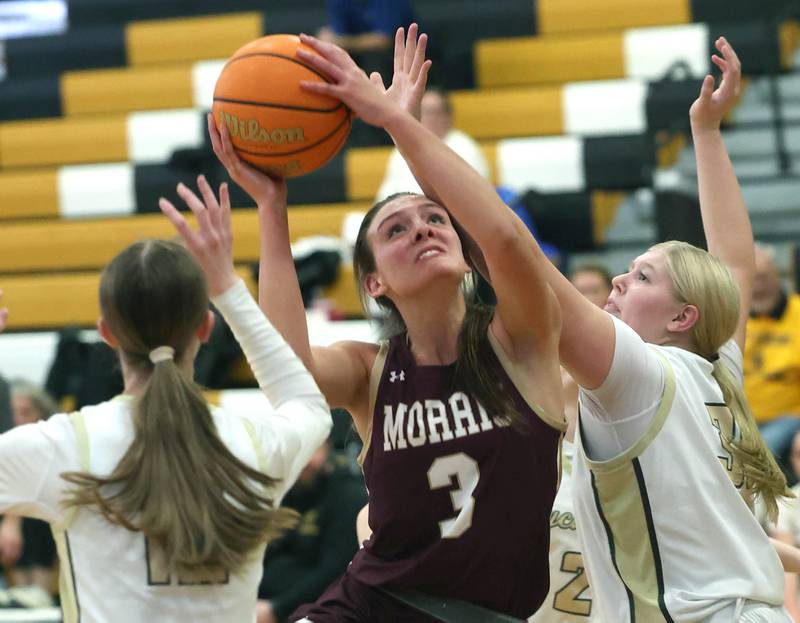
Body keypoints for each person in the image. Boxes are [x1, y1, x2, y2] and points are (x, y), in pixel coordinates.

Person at [210, 24, 565, 622]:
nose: (423, 228)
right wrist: (272, 209)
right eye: (396, 230)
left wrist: (401, 125)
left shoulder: (521, 340)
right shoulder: (370, 372)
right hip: (371, 604)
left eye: (435, 219)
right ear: (374, 284)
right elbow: (284, 370)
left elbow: (504, 236)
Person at [527, 38, 790, 622]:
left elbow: (515, 254)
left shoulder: (644, 376)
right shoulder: (714, 365)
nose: (618, 280)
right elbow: (735, 262)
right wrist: (706, 134)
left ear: (681, 317)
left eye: (641, 275)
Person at [0, 176, 332, 622]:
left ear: (107, 335)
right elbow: (308, 404)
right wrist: (229, 287)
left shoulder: (66, 447)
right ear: (205, 329)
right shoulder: (253, 445)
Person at [255, 439, 367, 623]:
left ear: (328, 448)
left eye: (313, 450)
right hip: (264, 601)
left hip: (316, 612)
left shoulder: (348, 496)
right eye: (297, 452)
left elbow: (334, 573)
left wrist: (276, 610)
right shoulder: (286, 492)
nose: (306, 461)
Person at [744, 243, 800, 478]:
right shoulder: (730, 317)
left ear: (778, 276)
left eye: (763, 277)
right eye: (751, 279)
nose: (757, 286)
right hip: (738, 418)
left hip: (788, 417)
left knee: (759, 452)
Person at [375, 88, 490, 202]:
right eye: (424, 112)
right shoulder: (401, 149)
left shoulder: (465, 147)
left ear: (448, 116)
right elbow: (385, 194)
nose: (428, 118)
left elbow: (473, 196)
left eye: (434, 112)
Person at [0, 380, 60, 597]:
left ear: (41, 413)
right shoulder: (9, 442)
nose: (18, 419)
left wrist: (11, 522)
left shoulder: (52, 443)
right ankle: (22, 597)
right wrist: (11, 522)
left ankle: (37, 596)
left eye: (25, 412)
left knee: (37, 515)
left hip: (46, 522)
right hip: (19, 516)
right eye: (14, 412)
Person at [318, 0, 414, 53]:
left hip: (398, 61)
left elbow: (382, 40)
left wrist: (343, 42)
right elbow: (329, 37)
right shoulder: (338, 2)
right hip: (357, 61)